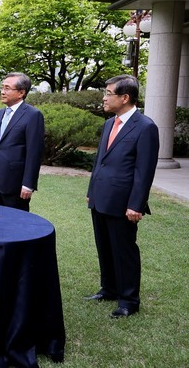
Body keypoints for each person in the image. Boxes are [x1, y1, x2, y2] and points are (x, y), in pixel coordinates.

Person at [85, 75, 159, 318]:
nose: (104, 98)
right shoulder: (110, 124)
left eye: (108, 93)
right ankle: (109, 288)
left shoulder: (146, 127)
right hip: (101, 198)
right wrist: (91, 192)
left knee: (124, 251)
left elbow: (144, 171)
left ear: (125, 97)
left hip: (123, 203)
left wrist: (135, 204)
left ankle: (129, 300)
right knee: (104, 247)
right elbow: (100, 162)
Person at [0, 72, 44, 212]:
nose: (2, 92)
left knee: (15, 226)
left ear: (21, 92)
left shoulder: (33, 115)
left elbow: (34, 153)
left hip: (15, 184)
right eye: (2, 87)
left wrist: (28, 184)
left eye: (7, 88)